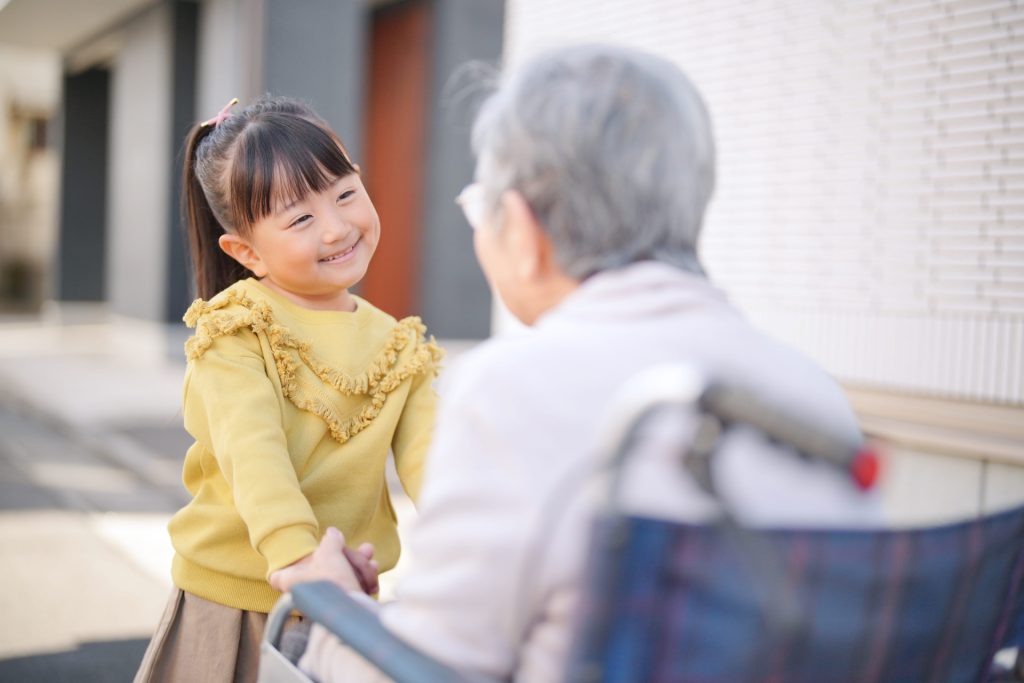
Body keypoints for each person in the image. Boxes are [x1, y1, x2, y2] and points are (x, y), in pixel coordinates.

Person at [271, 44, 881, 682]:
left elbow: (431, 667)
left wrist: (332, 613)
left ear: (526, 234)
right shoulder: (814, 400)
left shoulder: (513, 391)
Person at [133, 95, 443, 683]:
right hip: (233, 606)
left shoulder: (402, 345)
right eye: (300, 218)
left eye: (346, 193)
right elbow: (254, 453)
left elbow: (438, 464)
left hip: (344, 612)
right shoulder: (235, 328)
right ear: (246, 252)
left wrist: (484, 544)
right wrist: (300, 559)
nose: (336, 226)